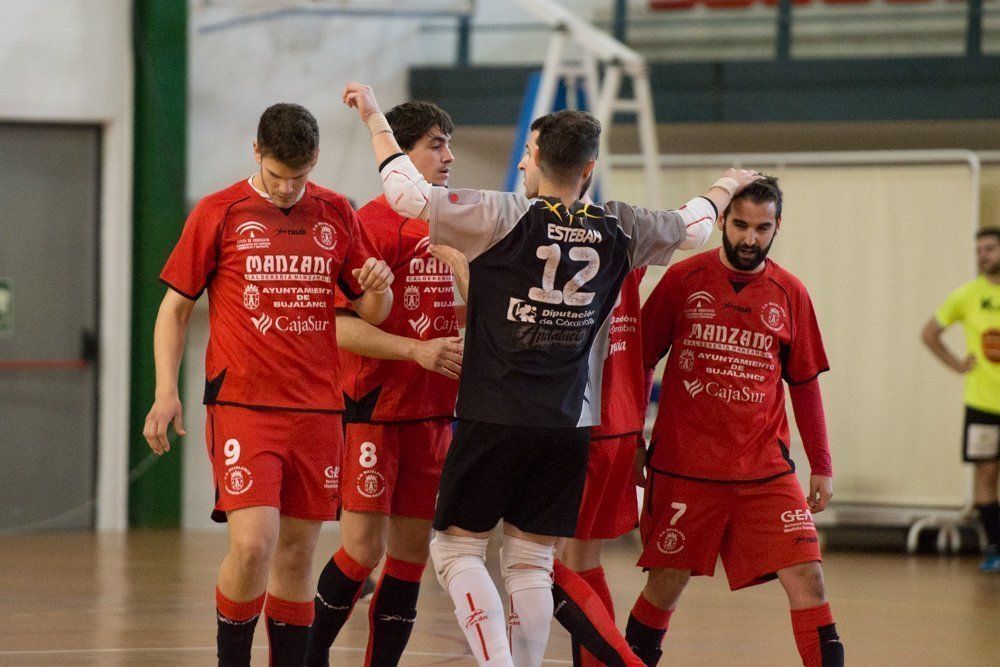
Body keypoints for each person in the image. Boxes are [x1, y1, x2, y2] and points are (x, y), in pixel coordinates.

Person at [342, 80, 759, 666]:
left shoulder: (503, 214)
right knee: (531, 562)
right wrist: (728, 183)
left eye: (526, 154)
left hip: (494, 414)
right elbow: (694, 226)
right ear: (589, 167)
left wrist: (373, 118)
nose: (520, 159)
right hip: (569, 424)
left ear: (536, 159)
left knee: (457, 552)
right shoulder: (620, 225)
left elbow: (406, 194)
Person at [142, 103, 393, 666]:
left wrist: (377, 288)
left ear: (315, 163)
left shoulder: (335, 212)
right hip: (244, 405)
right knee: (254, 544)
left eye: (298, 178)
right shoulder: (218, 211)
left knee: (297, 557)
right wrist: (166, 390)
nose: (286, 189)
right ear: (256, 152)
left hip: (319, 411)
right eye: (277, 176)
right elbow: (174, 310)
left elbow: (372, 311)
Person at [625, 176, 845, 667]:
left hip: (765, 470)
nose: (750, 239)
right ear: (722, 221)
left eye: (762, 228)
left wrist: (822, 465)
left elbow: (805, 384)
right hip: (686, 468)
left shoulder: (790, 292)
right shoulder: (683, 280)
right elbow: (638, 361)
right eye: (741, 225)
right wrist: (634, 439)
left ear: (777, 227)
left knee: (809, 578)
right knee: (665, 587)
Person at [306, 101, 466, 666]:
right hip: (375, 407)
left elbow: (463, 315)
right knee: (361, 548)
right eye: (434, 144)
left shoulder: (460, 221)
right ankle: (306, 655)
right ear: (399, 153)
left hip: (434, 414)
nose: (448, 156)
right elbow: (338, 326)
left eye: (448, 144)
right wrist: (413, 350)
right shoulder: (370, 224)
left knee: (409, 555)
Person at [921, 227, 1000, 573]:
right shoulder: (968, 295)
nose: (983, 255)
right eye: (979, 249)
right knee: (986, 475)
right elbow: (930, 332)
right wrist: (957, 364)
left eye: (991, 248)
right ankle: (995, 547)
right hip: (982, 402)